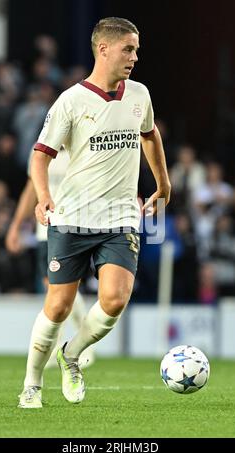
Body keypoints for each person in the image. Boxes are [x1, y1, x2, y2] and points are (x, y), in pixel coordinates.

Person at [18, 17, 171, 408]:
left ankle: (71, 355)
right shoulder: (71, 101)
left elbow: (150, 135)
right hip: (71, 217)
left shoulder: (139, 94)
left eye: (136, 49)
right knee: (58, 306)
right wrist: (43, 196)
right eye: (129, 49)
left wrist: (163, 183)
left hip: (120, 217)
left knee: (116, 298)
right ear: (103, 49)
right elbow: (39, 157)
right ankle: (32, 384)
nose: (135, 57)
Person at [5, 150, 95, 368]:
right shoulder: (40, 151)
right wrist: (16, 225)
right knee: (54, 289)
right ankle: (68, 346)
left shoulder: (81, 147)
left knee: (62, 289)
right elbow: (31, 190)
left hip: (72, 228)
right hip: (44, 231)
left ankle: (85, 346)